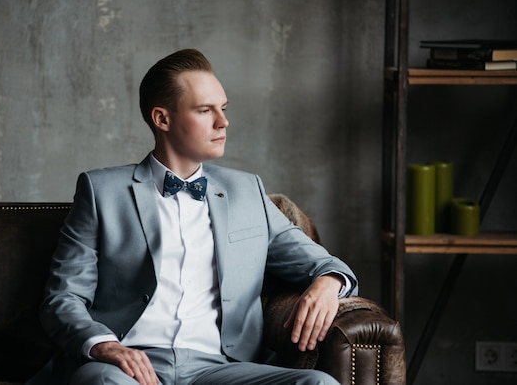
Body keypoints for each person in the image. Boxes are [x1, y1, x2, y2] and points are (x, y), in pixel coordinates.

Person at [34, 48, 358, 385]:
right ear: (162, 119)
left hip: (220, 369)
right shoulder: (101, 191)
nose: (223, 121)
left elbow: (322, 263)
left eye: (224, 108)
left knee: (319, 384)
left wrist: (327, 283)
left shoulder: (247, 192)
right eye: (205, 110)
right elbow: (64, 297)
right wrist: (106, 346)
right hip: (125, 367)